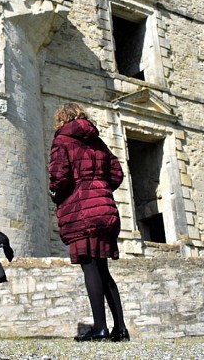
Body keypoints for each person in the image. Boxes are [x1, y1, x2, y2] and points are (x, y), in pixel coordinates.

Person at [48, 102, 130, 342]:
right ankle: (121, 329)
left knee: (90, 267)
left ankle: (100, 328)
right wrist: (100, 188)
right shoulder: (98, 141)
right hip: (105, 208)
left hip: (81, 209)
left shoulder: (62, 141)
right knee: (103, 268)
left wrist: (58, 194)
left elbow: (58, 177)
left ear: (61, 119)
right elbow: (117, 173)